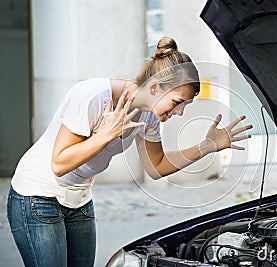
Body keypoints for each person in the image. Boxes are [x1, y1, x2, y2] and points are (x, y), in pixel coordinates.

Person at [7, 36, 252, 267]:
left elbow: (157, 167)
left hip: (79, 199)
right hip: (37, 196)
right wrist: (106, 134)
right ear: (155, 87)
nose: (179, 113)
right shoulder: (92, 96)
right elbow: (59, 163)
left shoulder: (149, 116)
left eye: (184, 106)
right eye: (177, 103)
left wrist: (206, 147)